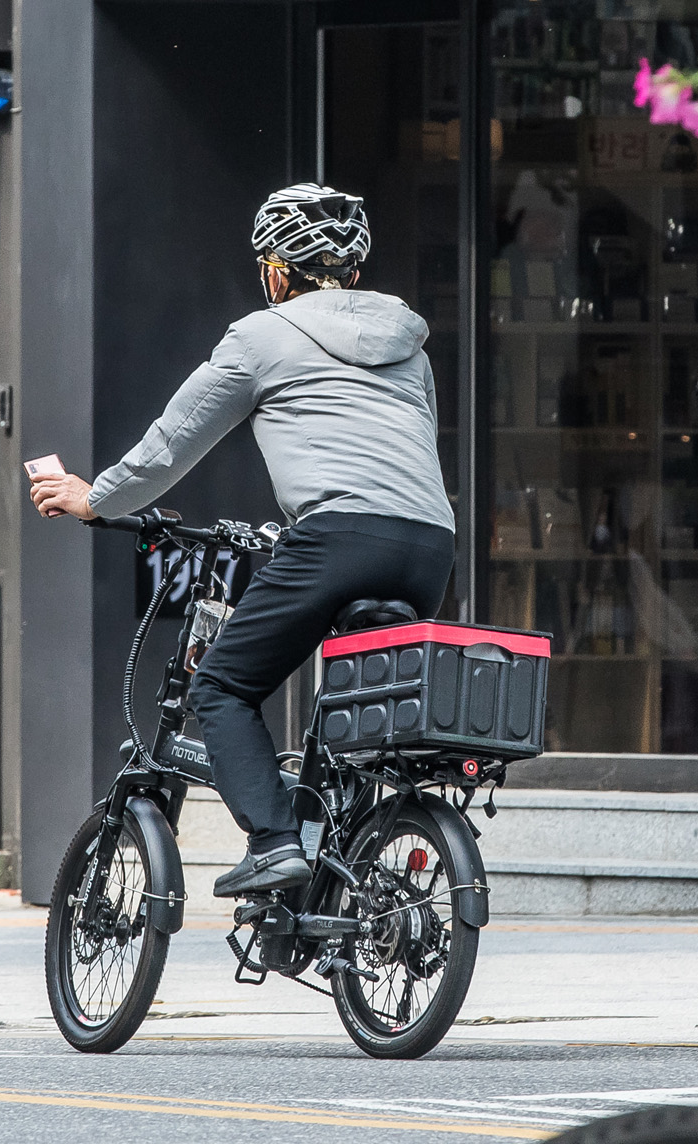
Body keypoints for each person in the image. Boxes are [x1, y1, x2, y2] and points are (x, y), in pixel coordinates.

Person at [30, 183, 457, 897]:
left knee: (222, 686)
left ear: (278, 272)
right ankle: (345, 849)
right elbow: (410, 450)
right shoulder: (410, 346)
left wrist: (93, 498)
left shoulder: (261, 336)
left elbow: (172, 444)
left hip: (338, 536)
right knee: (355, 704)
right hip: (427, 542)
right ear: (350, 270)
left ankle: (273, 842)